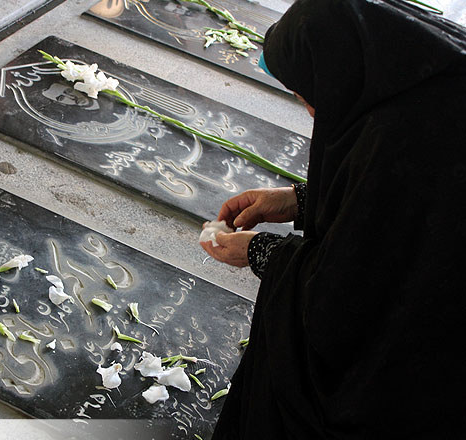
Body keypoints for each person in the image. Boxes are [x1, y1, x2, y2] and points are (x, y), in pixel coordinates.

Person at [200, 0, 466, 437]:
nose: (309, 110)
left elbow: (351, 298)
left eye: (308, 95)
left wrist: (262, 252)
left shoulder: (402, 139)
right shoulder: (426, 78)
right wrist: (299, 201)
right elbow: (391, 215)